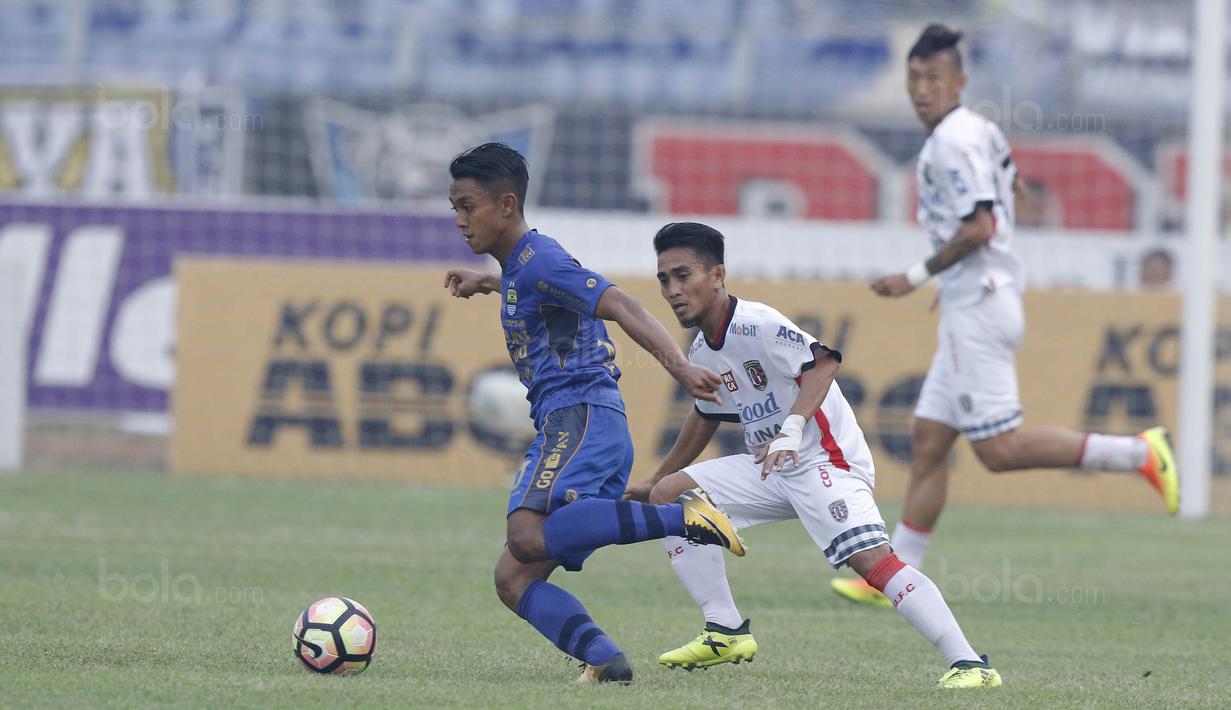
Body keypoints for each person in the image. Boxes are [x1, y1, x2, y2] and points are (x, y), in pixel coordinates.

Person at [832, 24, 1180, 608]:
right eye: (913, 78)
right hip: (979, 297)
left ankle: (1139, 453)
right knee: (928, 441)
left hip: (979, 308)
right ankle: (896, 572)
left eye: (933, 78)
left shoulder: (950, 141)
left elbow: (982, 225)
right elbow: (1013, 187)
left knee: (999, 451)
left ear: (959, 82)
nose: (921, 89)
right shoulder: (981, 130)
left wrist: (915, 277)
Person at [626, 221, 1003, 689]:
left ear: (718, 275)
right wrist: (655, 478)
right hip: (771, 466)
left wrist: (792, 427)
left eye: (683, 276)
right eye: (665, 279)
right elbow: (706, 414)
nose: (672, 290)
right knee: (668, 498)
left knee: (873, 564)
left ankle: (971, 664)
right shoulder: (703, 345)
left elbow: (824, 362)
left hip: (824, 460)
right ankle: (724, 629)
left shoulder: (756, 322)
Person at [442, 143, 746, 685]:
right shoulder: (520, 268)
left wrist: (678, 365)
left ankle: (687, 518)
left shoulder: (543, 260)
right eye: (455, 208)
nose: (460, 220)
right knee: (513, 577)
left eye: (468, 206)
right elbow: (533, 292)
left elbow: (622, 304)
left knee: (526, 535)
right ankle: (604, 658)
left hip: (579, 416)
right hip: (585, 422)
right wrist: (485, 282)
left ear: (506, 204)